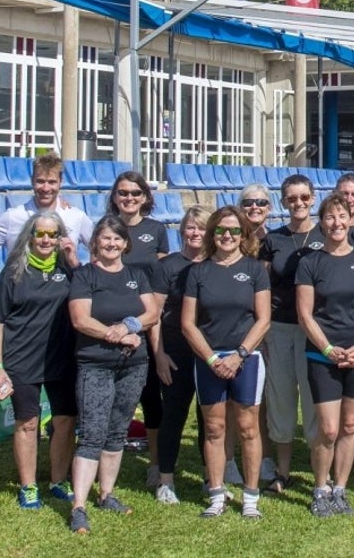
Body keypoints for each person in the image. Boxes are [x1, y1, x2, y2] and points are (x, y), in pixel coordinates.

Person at [67, 216, 158, 534]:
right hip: (96, 364)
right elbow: (80, 319)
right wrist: (116, 335)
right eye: (105, 238)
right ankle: (79, 505)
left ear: (125, 244)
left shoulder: (136, 274)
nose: (111, 244)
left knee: (117, 430)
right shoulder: (85, 275)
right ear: (95, 242)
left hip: (133, 365)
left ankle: (106, 494)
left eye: (117, 239)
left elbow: (152, 312)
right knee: (92, 433)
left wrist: (128, 326)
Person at [296, 194, 354, 518]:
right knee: (329, 429)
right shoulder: (310, 263)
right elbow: (305, 315)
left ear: (350, 220)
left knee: (349, 426)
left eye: (342, 216)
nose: (336, 223)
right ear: (321, 222)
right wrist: (329, 350)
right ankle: (320, 488)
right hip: (324, 357)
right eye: (330, 217)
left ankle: (341, 488)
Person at [182, 206, 271, 520]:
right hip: (210, 360)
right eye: (221, 230)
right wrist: (211, 358)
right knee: (214, 429)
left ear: (244, 235)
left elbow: (263, 320)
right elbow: (188, 324)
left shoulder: (255, 270)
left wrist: (239, 356)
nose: (227, 236)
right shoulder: (198, 272)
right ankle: (217, 494)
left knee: (247, 428)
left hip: (247, 358)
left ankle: (250, 496)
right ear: (212, 234)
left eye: (234, 230)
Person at [0, 211, 79, 510]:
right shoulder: (14, 271)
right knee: (28, 423)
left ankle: (58, 480)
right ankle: (28, 486)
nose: (47, 240)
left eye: (53, 234)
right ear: (30, 236)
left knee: (65, 422)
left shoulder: (68, 270)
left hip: (62, 360)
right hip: (22, 360)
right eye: (41, 234)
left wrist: (73, 258)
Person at [260, 173, 323, 495]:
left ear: (313, 199)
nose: (298, 203)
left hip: (315, 329)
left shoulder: (326, 234)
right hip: (281, 328)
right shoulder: (273, 240)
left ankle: (317, 471)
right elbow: (264, 287)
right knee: (281, 398)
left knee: (315, 400)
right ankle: (282, 472)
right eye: (291, 199)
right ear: (283, 203)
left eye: (304, 197)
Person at [106, 170, 168, 488]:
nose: (129, 198)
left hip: (146, 326)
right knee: (110, 399)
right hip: (111, 328)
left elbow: (162, 279)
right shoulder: (107, 229)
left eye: (135, 193)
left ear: (145, 197)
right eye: (123, 193)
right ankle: (105, 462)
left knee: (151, 398)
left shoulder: (156, 230)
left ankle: (155, 464)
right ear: (114, 196)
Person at [149, 205, 209, 505]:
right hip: (175, 351)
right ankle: (166, 479)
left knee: (210, 418)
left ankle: (210, 476)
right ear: (182, 229)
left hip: (209, 352)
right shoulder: (167, 266)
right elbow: (154, 315)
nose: (196, 233)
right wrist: (159, 354)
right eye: (191, 227)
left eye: (201, 227)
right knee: (173, 415)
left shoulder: (215, 264)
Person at [237, 183, 277, 485]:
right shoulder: (229, 235)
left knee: (259, 397)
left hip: (263, 325)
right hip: (232, 324)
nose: (255, 207)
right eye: (249, 202)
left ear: (269, 207)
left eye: (261, 202)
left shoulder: (273, 240)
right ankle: (226, 460)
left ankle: (263, 456)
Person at [0, 152, 94, 253]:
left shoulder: (76, 216)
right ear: (32, 181)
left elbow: (100, 248)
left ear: (61, 182)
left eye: (52, 182)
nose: (45, 188)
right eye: (40, 181)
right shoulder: (13, 216)